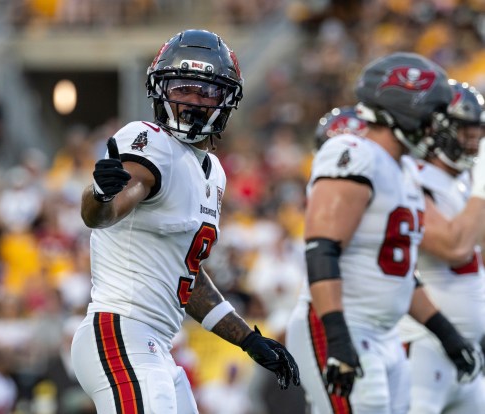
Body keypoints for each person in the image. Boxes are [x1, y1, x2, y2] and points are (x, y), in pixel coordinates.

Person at [70, 29, 300, 413]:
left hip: (157, 345)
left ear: (225, 100)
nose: (192, 102)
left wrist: (247, 339)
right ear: (161, 91)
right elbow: (105, 213)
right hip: (121, 333)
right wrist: (101, 194)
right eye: (182, 89)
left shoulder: (214, 173)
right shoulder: (149, 141)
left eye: (204, 92)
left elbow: (186, 278)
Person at [285, 52, 482, 413]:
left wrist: (448, 334)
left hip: (386, 334)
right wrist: (339, 337)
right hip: (345, 325)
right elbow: (322, 248)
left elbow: (399, 273)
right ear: (408, 108)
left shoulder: (404, 168)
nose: (438, 127)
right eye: (434, 115)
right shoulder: (355, 152)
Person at [398, 80, 485, 413]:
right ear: (438, 129)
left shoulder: (462, 181)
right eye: (466, 132)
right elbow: (453, 246)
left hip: (467, 350)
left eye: (478, 133)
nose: (474, 144)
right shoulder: (413, 176)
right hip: (426, 345)